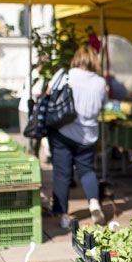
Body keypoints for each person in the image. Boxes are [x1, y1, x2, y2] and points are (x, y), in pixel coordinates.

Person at [48, 44, 109, 229]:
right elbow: (103, 106)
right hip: (88, 135)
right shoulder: (100, 82)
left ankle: (64, 215)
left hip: (64, 132)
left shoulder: (65, 75)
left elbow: (48, 94)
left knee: (62, 173)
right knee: (87, 170)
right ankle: (94, 202)